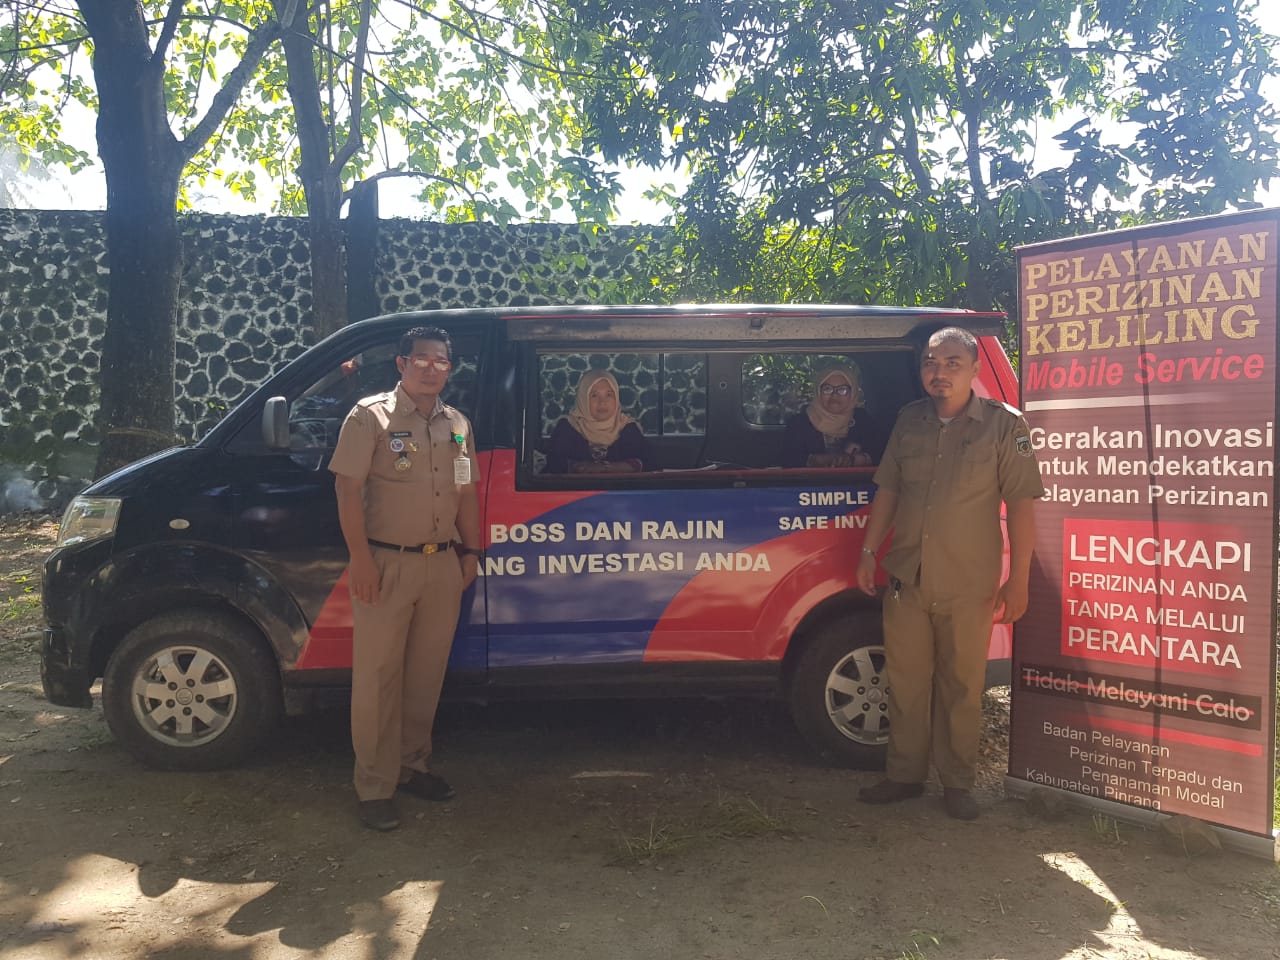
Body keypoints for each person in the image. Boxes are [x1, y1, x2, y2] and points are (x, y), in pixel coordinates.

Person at [854, 327, 1044, 820]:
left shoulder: (1005, 426)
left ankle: (958, 783)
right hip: (907, 578)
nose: (939, 373)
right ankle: (904, 776)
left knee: (962, 685)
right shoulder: (908, 421)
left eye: (952, 363)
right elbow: (890, 490)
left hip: (969, 582)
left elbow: (1022, 505)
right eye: (931, 363)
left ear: (975, 369)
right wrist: (869, 550)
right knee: (907, 681)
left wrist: (1019, 579)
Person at [329, 325, 483, 832]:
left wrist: (471, 550)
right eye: (421, 359)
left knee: (425, 675)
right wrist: (361, 560)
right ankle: (374, 786)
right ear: (401, 364)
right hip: (386, 563)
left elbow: (464, 495)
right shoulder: (368, 418)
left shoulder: (457, 424)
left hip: (442, 564)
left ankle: (413, 766)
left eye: (441, 361)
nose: (431, 368)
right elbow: (347, 494)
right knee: (378, 678)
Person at [544, 368, 654, 473]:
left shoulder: (628, 428)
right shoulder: (567, 428)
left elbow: (648, 464)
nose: (602, 402)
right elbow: (554, 465)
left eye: (609, 395)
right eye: (594, 395)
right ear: (583, 398)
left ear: (616, 398)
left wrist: (604, 468)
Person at [782, 363, 882, 467]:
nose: (834, 395)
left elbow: (881, 457)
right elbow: (788, 460)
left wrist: (854, 460)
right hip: (808, 483)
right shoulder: (799, 423)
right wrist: (815, 460)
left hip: (857, 483)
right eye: (827, 389)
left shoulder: (863, 420)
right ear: (818, 391)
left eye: (842, 389)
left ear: (853, 392)